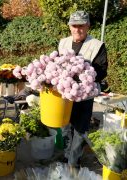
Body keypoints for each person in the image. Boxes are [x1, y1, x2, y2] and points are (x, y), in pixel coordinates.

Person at [58, 11, 108, 168]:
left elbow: (101, 71)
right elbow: (55, 64)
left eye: (81, 26)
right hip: (65, 94)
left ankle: (74, 161)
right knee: (65, 126)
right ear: (69, 27)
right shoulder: (63, 42)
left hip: (85, 95)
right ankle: (67, 156)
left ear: (88, 26)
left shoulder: (97, 45)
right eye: (74, 26)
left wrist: (83, 73)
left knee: (80, 129)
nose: (77, 29)